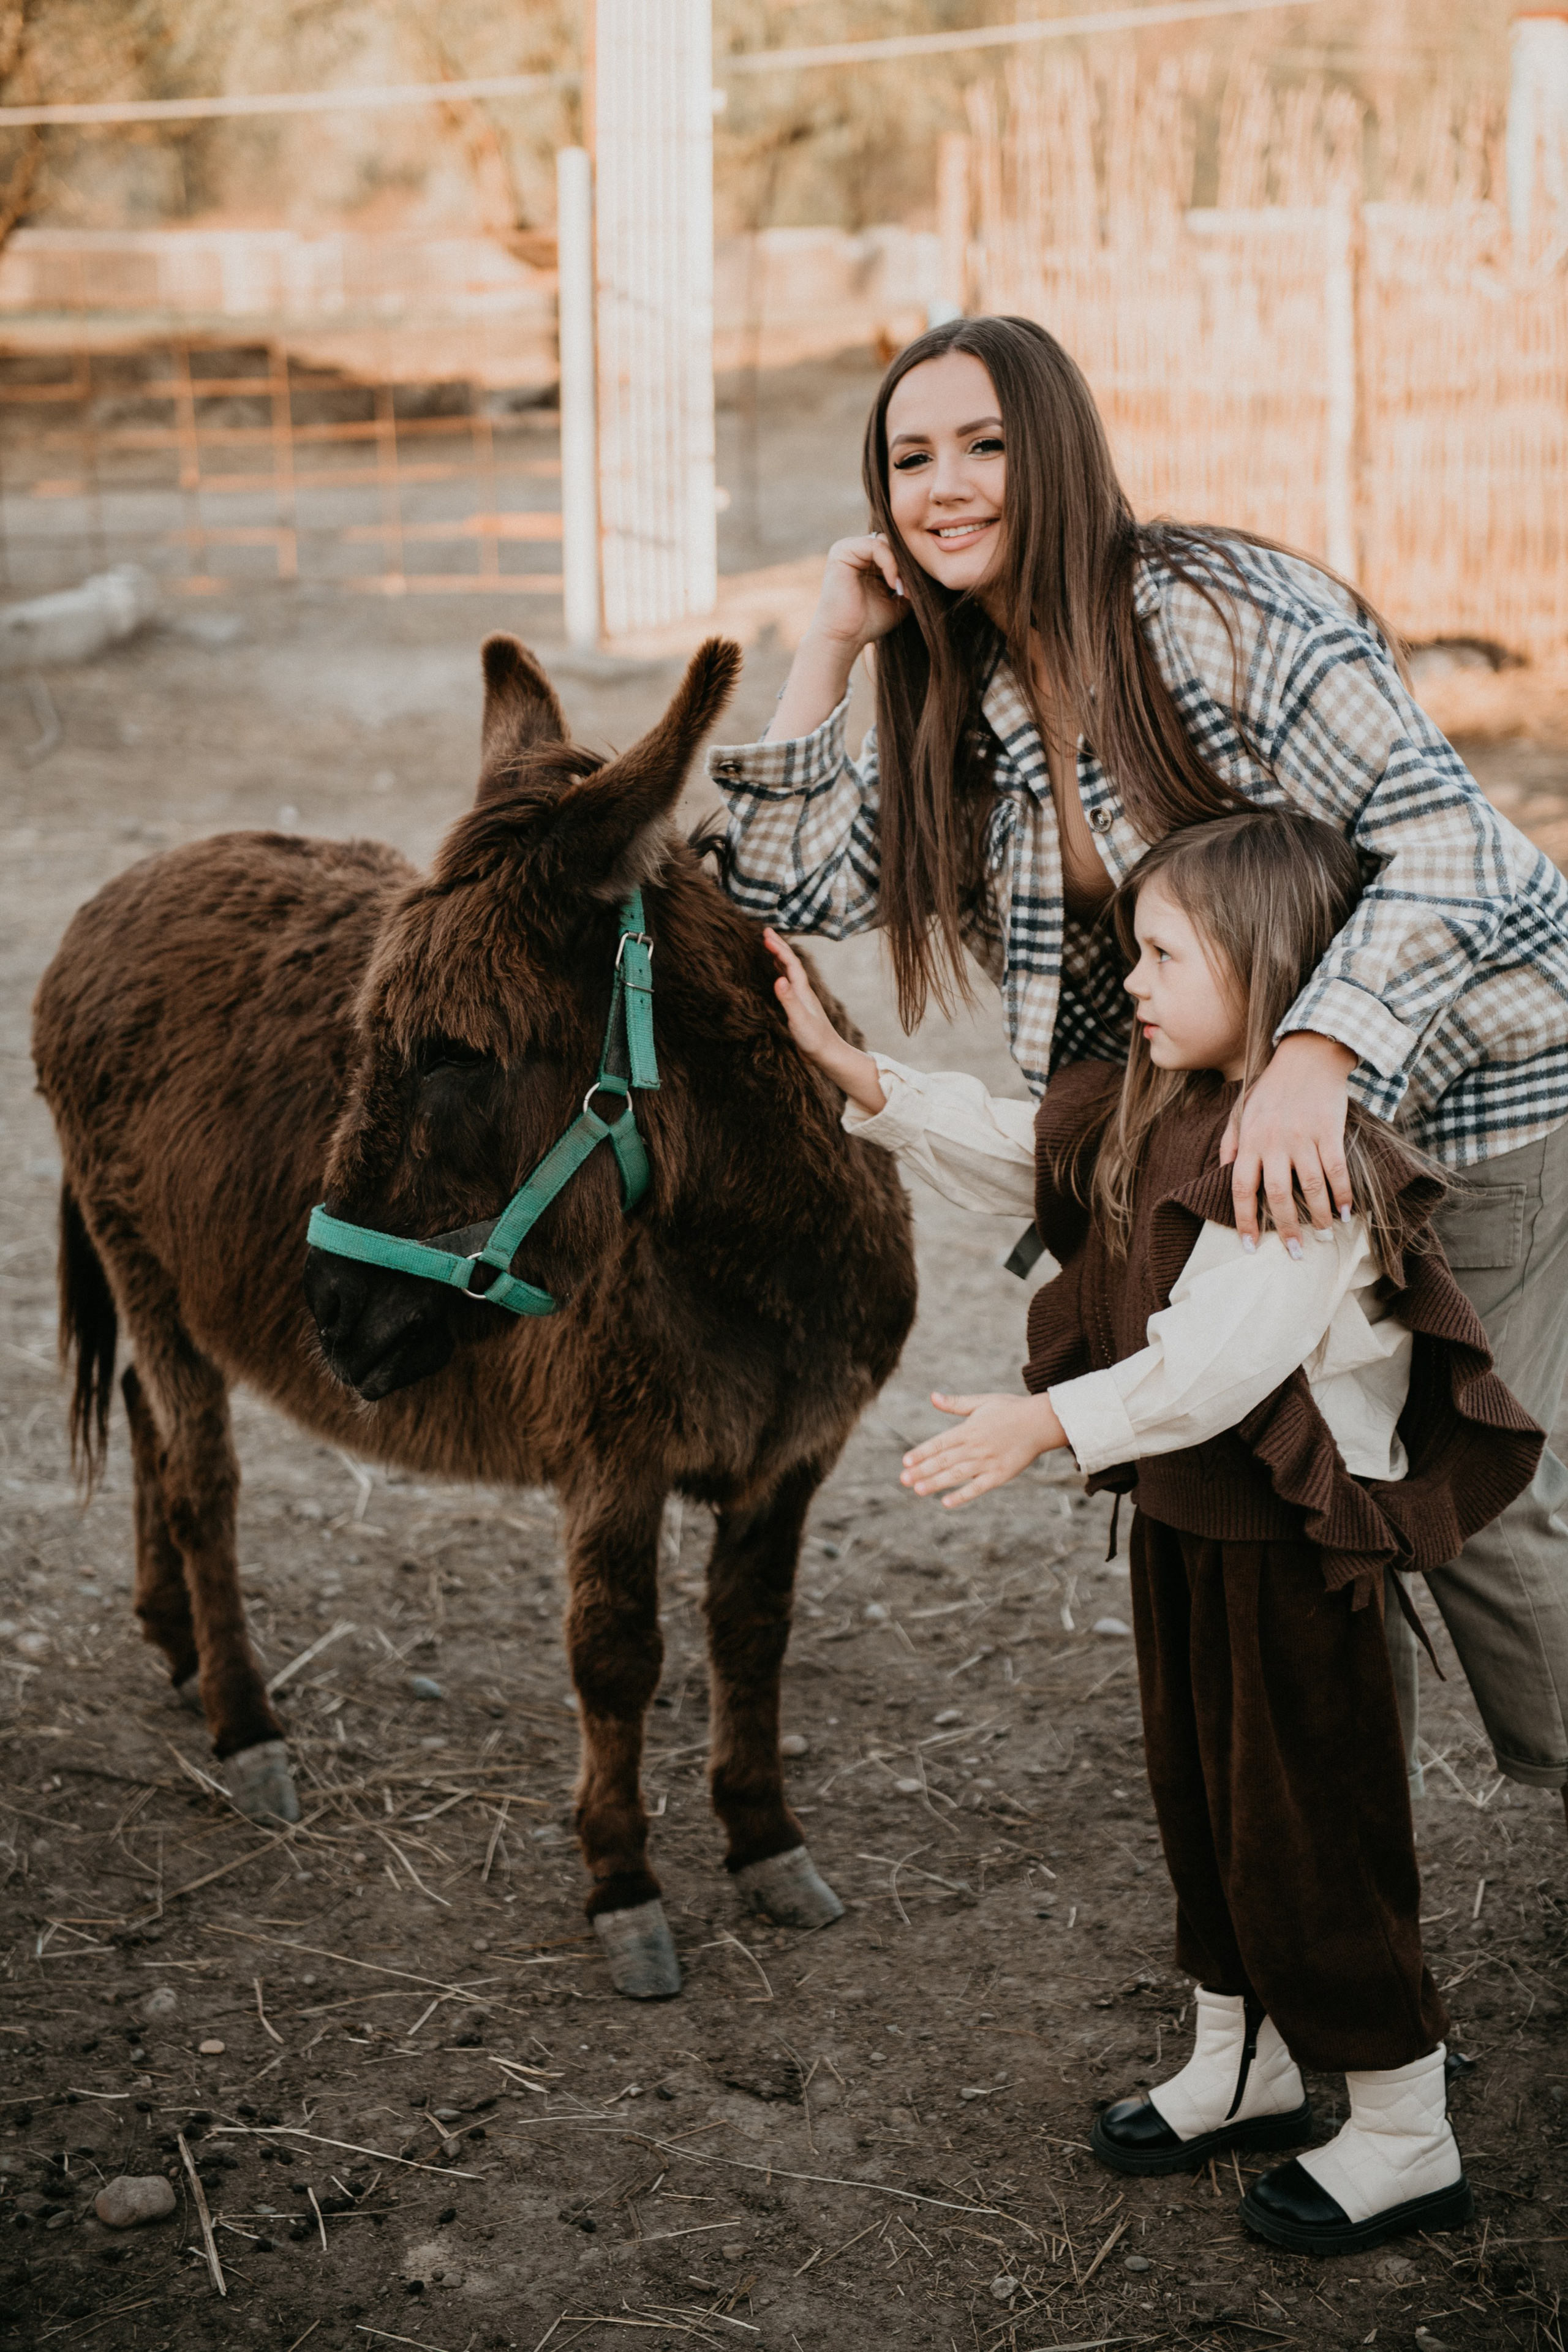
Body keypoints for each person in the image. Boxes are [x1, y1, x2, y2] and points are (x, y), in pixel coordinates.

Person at [709, 312, 1568, 1815]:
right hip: (1251, 1143)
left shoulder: (1213, 614)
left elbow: (1458, 846)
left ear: (1055, 453)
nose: (945, 484)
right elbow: (785, 890)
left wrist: (1314, 1052)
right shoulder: (953, 684)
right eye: (908, 458)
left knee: (1468, 1497)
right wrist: (830, 644)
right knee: (1287, 1487)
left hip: (1466, 1091)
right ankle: (1333, 1897)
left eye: (982, 445)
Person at [764, 810, 1542, 2255]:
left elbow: (1222, 1359)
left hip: (1291, 1556)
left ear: (1267, 970)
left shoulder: (1297, 1161)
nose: (1129, 979)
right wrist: (856, 1073)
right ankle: (1239, 2058)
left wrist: (1039, 1424)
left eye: (1162, 953)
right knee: (1201, 1798)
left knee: (1309, 1826)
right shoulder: (1156, 1104)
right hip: (1192, 1528)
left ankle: (1399, 2126)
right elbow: (1024, 1149)